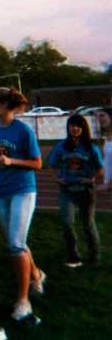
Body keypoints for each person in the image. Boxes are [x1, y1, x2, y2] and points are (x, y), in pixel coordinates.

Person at [0, 87, 44, 322]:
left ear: (6, 105)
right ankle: (36, 275)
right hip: (0, 190)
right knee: (16, 241)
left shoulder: (23, 130)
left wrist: (10, 160)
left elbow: (37, 164)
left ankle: (23, 300)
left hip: (22, 190)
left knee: (16, 244)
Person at [49, 114, 103, 266]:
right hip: (67, 189)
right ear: (68, 127)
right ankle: (73, 256)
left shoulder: (91, 147)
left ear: (83, 128)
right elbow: (52, 164)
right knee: (67, 223)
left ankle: (93, 255)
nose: (74, 129)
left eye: (78, 126)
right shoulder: (61, 146)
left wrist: (91, 179)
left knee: (88, 223)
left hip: (86, 190)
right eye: (72, 125)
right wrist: (57, 178)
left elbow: (100, 170)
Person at [96, 107, 112, 191]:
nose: (99, 118)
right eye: (98, 116)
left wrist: (108, 184)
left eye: (102, 115)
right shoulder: (106, 138)